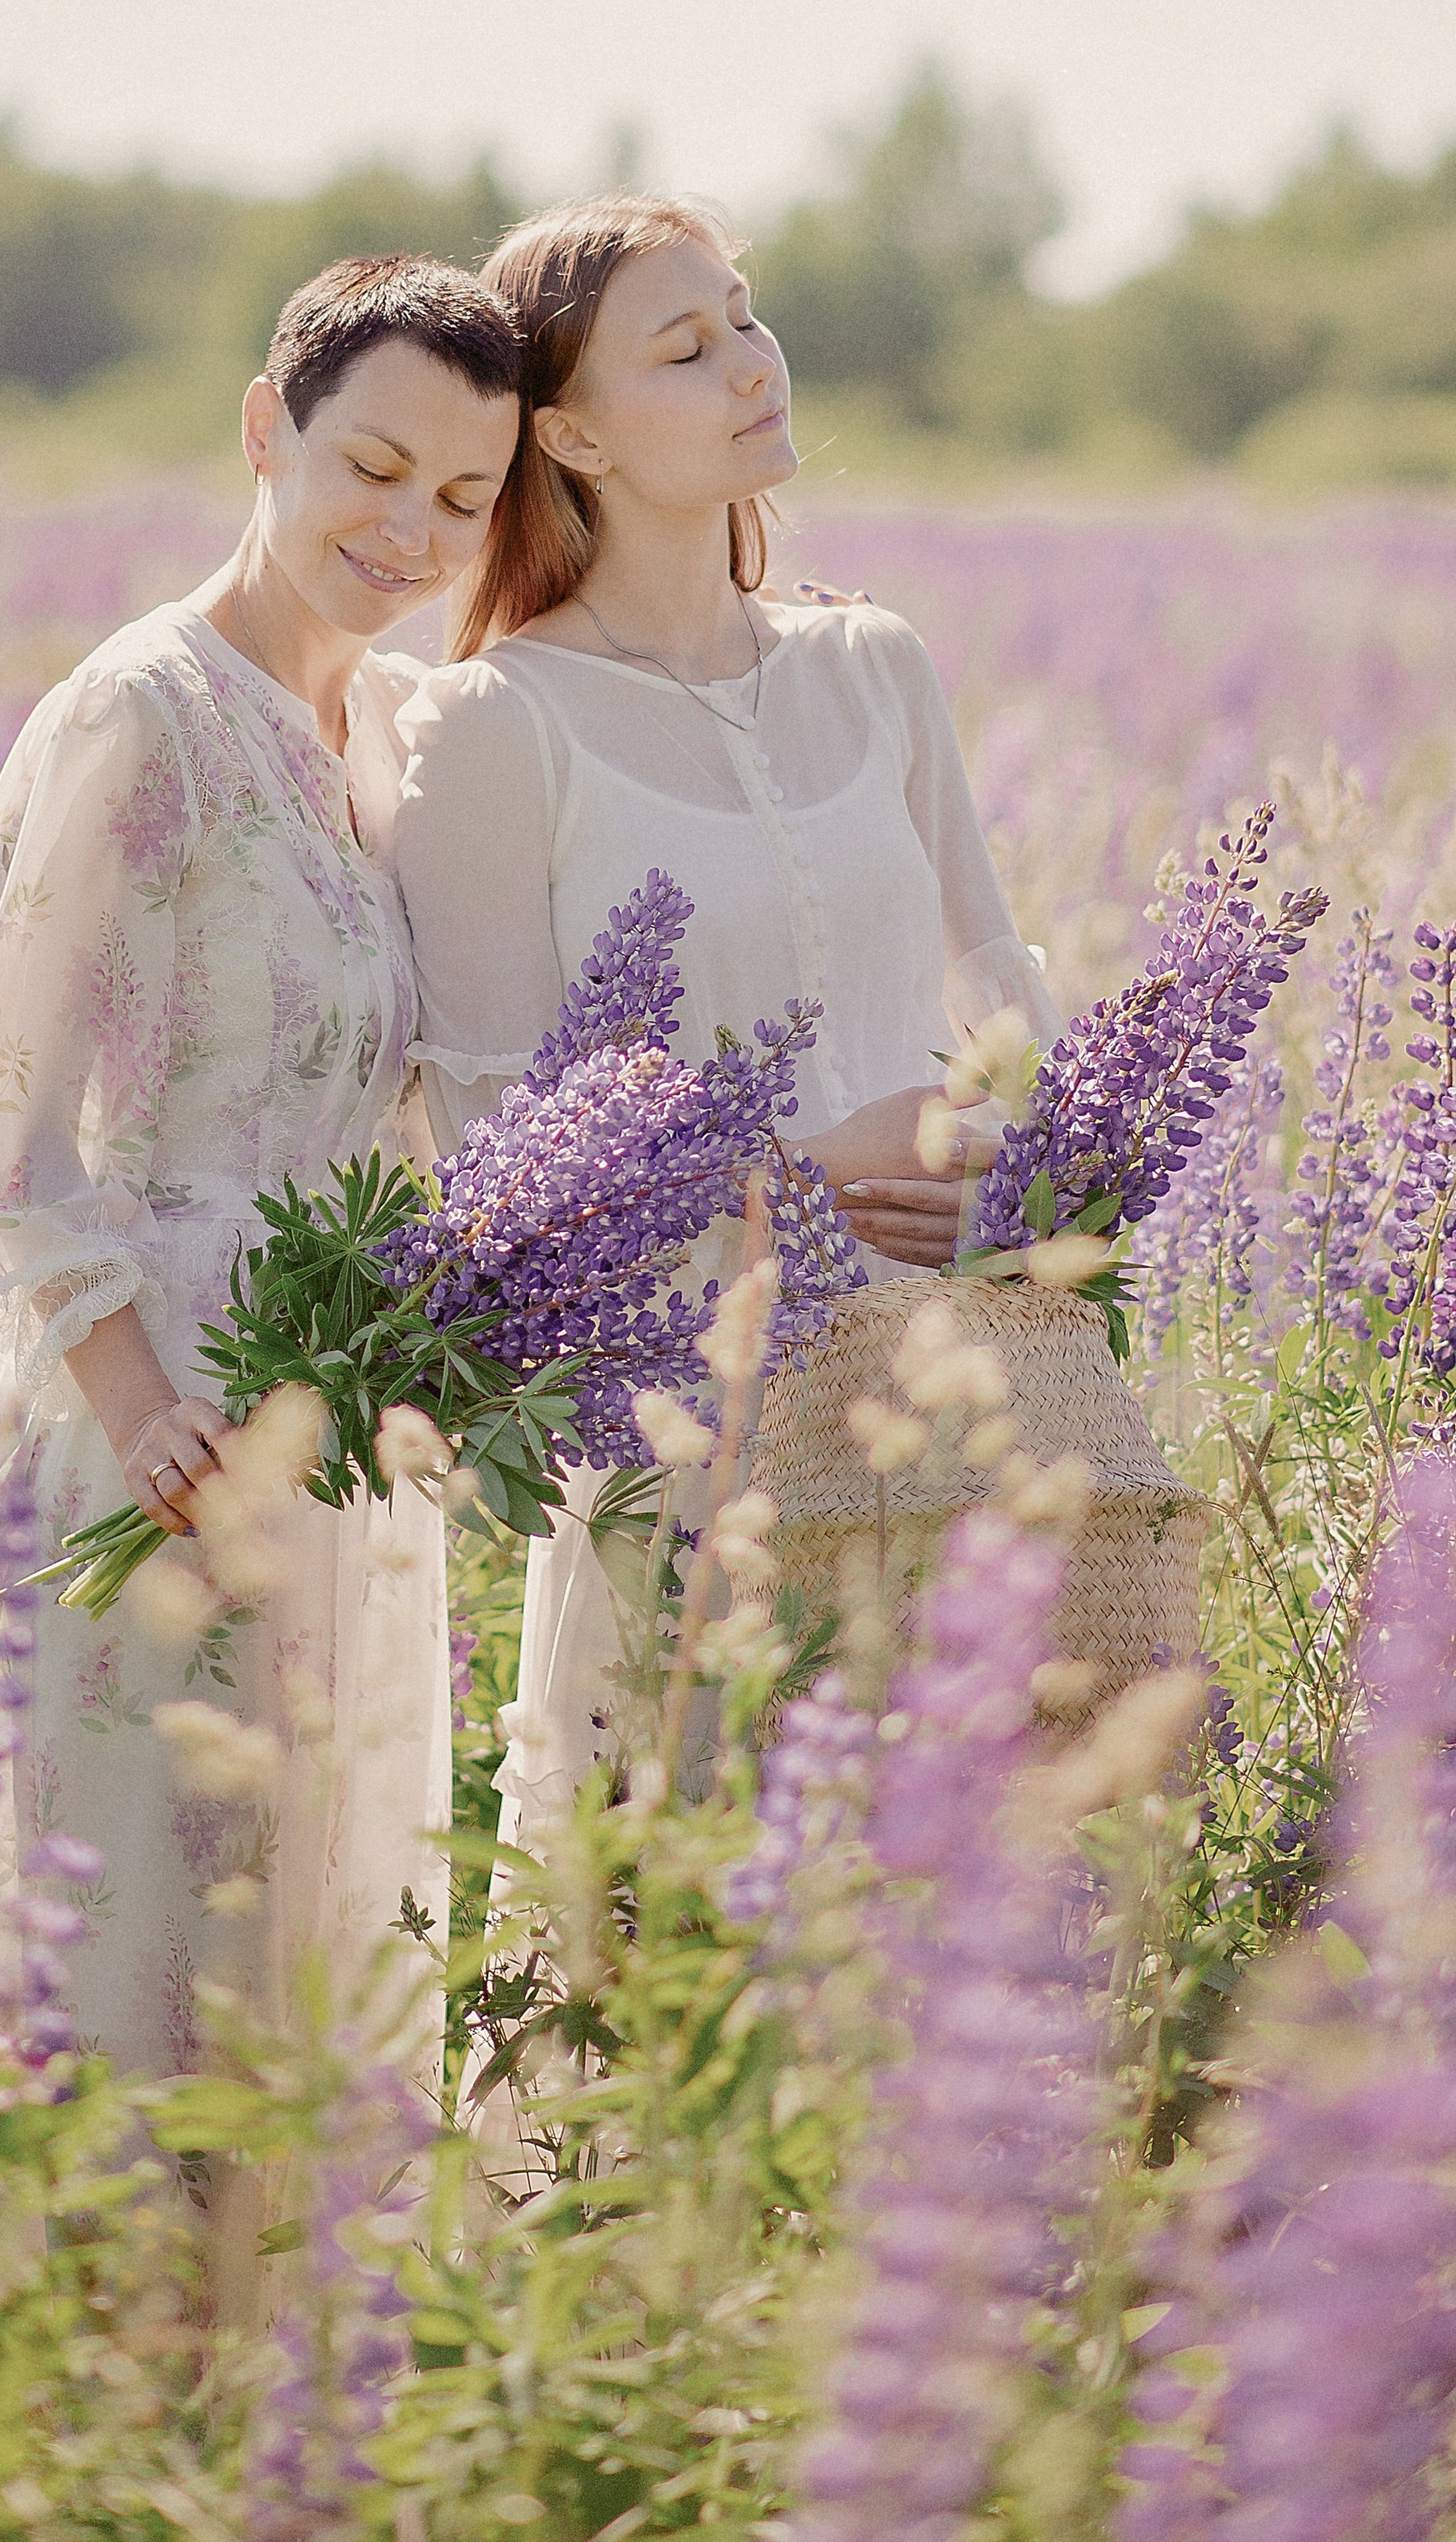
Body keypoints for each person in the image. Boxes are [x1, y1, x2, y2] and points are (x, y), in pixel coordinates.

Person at [390, 193, 1060, 1848]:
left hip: (940, 1376)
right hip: (681, 1419)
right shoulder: (493, 723)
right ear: (571, 435)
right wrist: (775, 1177)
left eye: (745, 319)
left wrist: (1014, 1154)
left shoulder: (870, 662)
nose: (752, 364)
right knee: (669, 1934)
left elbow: (994, 973)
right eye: (683, 349)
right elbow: (483, 1165)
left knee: (935, 1930)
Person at [0, 254, 522, 2096]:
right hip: (152, 1428)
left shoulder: (387, 731)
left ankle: (270, 2383)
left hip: (332, 1430)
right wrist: (140, 1404)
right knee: (129, 1993)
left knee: (298, 1993)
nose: (409, 527)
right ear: (266, 429)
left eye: (460, 498)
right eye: (373, 464)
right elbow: (3, 1122)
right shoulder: (143, 711)